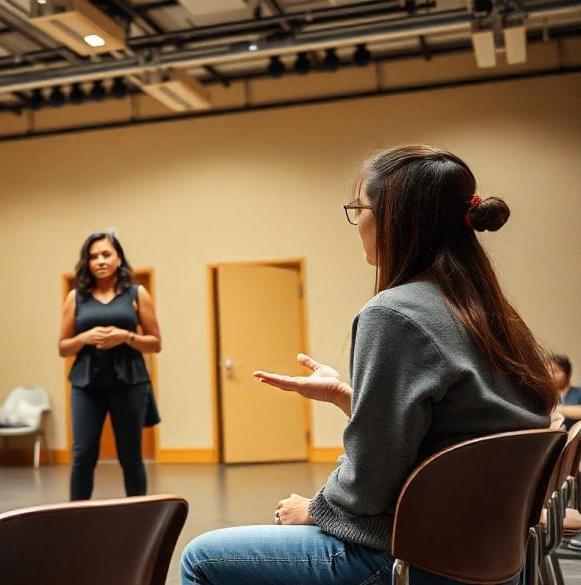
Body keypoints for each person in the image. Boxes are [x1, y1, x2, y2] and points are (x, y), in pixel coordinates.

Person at [181, 145, 557, 584]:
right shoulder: (488, 311)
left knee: (201, 557)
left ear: (394, 219)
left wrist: (316, 508)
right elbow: (455, 428)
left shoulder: (394, 314)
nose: (356, 221)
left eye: (359, 208)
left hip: (415, 557)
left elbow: (369, 487)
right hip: (493, 554)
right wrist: (349, 396)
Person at [58, 230, 162, 500]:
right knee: (83, 455)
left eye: (106, 254)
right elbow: (62, 347)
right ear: (87, 262)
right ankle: (76, 516)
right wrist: (83, 337)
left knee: (131, 456)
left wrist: (126, 336)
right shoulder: (75, 297)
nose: (100, 261)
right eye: (93, 256)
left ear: (118, 258)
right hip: (86, 384)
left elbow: (155, 343)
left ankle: (139, 518)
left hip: (130, 382)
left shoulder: (137, 293)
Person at [551, 354, 580, 428]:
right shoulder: (546, 396)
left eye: (555, 371)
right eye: (549, 371)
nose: (551, 375)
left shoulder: (578, 393)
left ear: (568, 374)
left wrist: (555, 409)